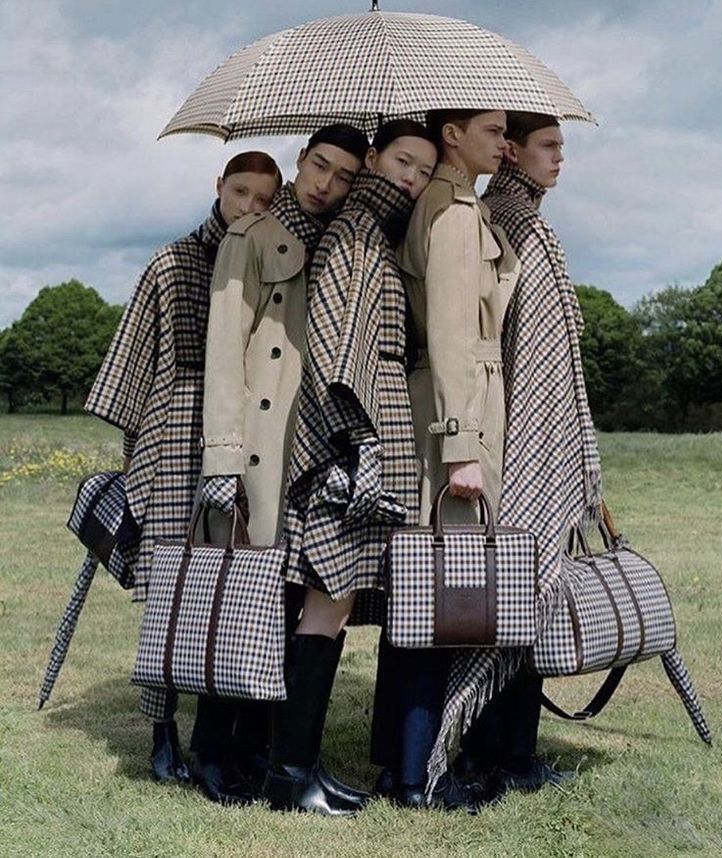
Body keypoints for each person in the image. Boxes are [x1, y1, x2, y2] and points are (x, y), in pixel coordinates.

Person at [85, 151, 282, 788]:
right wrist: (142, 459)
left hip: (244, 435)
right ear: (218, 188)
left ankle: (227, 723)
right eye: (241, 191)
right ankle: (162, 731)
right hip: (174, 439)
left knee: (235, 582)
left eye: (263, 197)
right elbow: (130, 370)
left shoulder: (271, 261)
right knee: (170, 592)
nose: (250, 206)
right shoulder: (172, 263)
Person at [265, 119, 438, 817]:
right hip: (348, 452)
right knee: (324, 605)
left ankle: (294, 766)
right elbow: (332, 348)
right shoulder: (356, 235)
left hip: (361, 442)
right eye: (402, 160)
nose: (411, 178)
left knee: (326, 610)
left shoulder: (371, 232)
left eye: (424, 170)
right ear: (374, 157)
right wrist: (359, 446)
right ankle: (287, 774)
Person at [199, 124, 369, 806]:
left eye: (341, 175)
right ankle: (215, 754)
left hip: (311, 446)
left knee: (295, 600)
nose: (324, 183)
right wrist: (222, 457)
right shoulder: (250, 236)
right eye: (318, 165)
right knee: (244, 595)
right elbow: (223, 349)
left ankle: (275, 757)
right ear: (300, 161)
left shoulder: (341, 244)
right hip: (259, 449)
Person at [450, 111, 600, 791]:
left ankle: (510, 752)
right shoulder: (515, 226)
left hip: (519, 439)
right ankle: (503, 757)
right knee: (512, 603)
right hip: (512, 439)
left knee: (514, 603)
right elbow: (523, 356)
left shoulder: (518, 221)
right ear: (510, 151)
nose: (559, 159)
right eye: (548, 146)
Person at [380, 108, 521, 810]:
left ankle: (403, 762)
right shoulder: (451, 210)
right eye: (492, 129)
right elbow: (451, 335)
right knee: (440, 595)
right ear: (452, 136)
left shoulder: (457, 205)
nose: (504, 141)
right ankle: (417, 776)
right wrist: (462, 444)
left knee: (433, 592)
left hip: (458, 405)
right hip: (458, 413)